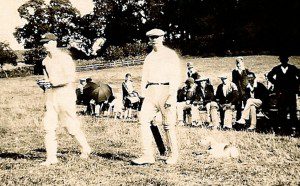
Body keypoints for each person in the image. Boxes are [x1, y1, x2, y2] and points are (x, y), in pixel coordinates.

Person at [132, 28, 182, 165]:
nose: (154, 40)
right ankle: (147, 155)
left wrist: (172, 96)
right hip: (151, 91)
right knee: (143, 121)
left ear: (162, 38)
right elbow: (144, 78)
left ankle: (173, 155)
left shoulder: (170, 55)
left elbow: (175, 77)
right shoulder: (149, 57)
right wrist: (142, 96)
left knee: (168, 125)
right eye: (151, 38)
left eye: (157, 37)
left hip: (166, 90)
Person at [40, 33, 91, 166]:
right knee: (48, 126)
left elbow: (70, 78)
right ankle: (51, 158)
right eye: (43, 43)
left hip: (65, 94)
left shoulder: (65, 58)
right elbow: (46, 80)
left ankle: (85, 148)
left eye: (47, 42)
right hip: (51, 96)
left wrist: (53, 83)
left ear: (54, 42)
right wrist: (44, 85)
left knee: (70, 126)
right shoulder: (45, 61)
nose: (44, 45)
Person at [267, 54, 300, 136]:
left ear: (287, 60)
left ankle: (295, 130)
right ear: (280, 60)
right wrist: (276, 83)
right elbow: (269, 76)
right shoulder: (277, 69)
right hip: (281, 94)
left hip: (291, 94)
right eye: (282, 59)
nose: (283, 61)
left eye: (285, 59)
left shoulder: (292, 68)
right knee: (282, 112)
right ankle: (284, 130)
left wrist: (295, 85)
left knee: (293, 112)